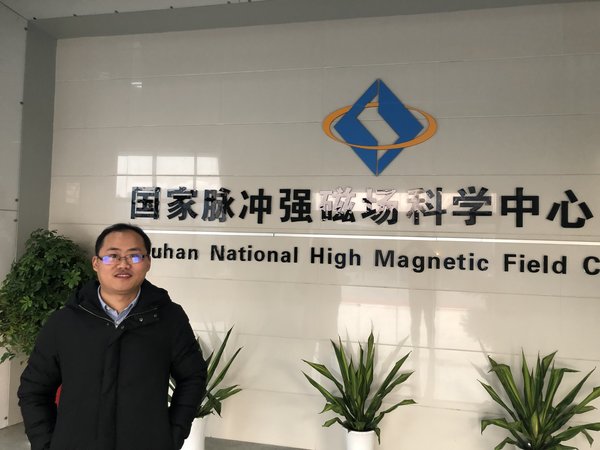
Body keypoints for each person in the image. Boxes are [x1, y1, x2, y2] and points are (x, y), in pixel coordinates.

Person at [18, 223, 207, 450]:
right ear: (96, 263)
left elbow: (192, 377)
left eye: (134, 256)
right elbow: (34, 389)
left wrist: (173, 435)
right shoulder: (65, 322)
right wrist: (46, 444)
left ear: (148, 262)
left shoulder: (169, 319)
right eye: (112, 256)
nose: (123, 264)